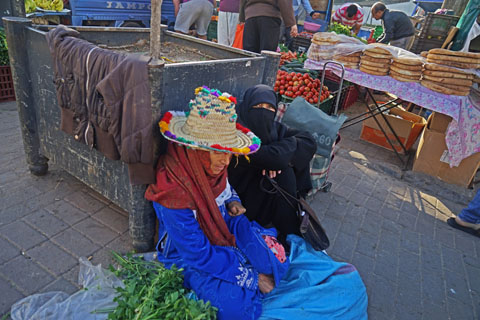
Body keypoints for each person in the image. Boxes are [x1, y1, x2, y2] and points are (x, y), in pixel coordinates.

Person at [145, 85, 368, 320]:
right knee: (236, 306)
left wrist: (232, 202)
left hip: (224, 228)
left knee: (271, 259)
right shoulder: (173, 192)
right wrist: (252, 278)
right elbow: (197, 254)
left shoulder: (209, 167)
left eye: (229, 152)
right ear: (197, 149)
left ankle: (246, 269)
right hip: (187, 256)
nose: (226, 160)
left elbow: (227, 191)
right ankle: (244, 279)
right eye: (219, 152)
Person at [228, 84, 317, 246]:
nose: (263, 111)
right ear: (247, 106)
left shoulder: (274, 130)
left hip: (266, 196)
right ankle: (287, 231)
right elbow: (264, 156)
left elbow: (308, 141)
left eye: (269, 107)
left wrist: (278, 157)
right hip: (239, 200)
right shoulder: (236, 133)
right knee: (285, 170)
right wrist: (280, 156)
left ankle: (287, 232)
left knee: (285, 168)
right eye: (258, 106)